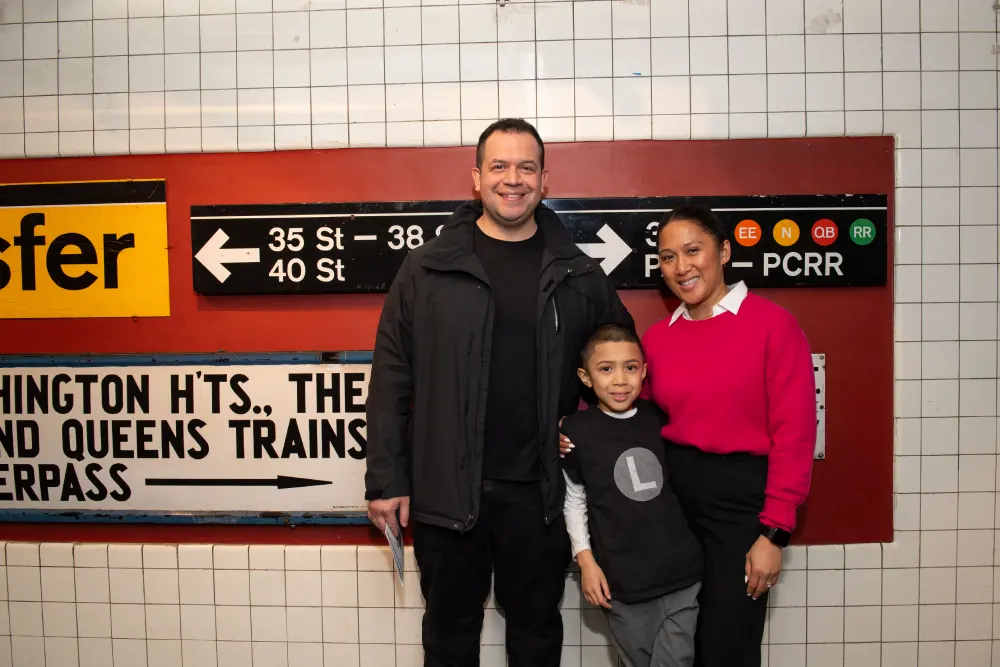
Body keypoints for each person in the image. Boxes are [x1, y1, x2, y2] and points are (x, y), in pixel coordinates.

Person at [364, 117, 635, 667]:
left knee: (536, 637)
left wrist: (585, 437)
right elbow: (391, 378)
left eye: (526, 167)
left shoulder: (579, 274)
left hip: (539, 496)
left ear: (544, 180)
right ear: (476, 178)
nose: (513, 179)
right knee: (448, 638)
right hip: (445, 493)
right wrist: (387, 481)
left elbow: (619, 366)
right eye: (500, 166)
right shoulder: (426, 269)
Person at [561, 204, 816, 667]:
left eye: (693, 250)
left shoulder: (773, 326)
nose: (681, 267)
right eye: (668, 257)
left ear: (724, 252)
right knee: (678, 649)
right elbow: (625, 409)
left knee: (726, 647)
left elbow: (795, 434)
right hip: (672, 506)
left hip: (741, 510)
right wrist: (574, 431)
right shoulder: (659, 339)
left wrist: (774, 534)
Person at [561, 323, 703, 667]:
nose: (620, 380)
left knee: (677, 661)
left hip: (681, 575)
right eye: (606, 369)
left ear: (644, 372)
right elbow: (574, 500)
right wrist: (586, 562)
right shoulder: (575, 432)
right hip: (623, 584)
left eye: (630, 367)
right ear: (585, 377)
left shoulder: (660, 419)